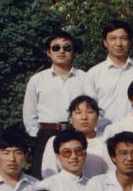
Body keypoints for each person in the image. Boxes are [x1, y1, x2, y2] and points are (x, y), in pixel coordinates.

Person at [22, 31, 96, 177]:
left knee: (79, 175)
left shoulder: (85, 78)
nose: (61, 51)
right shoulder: (37, 80)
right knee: (43, 177)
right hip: (46, 135)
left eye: (67, 48)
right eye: (56, 48)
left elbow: (93, 108)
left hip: (77, 133)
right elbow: (29, 113)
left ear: (73, 52)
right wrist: (38, 136)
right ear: (48, 52)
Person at [87, 20, 133, 128]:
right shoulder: (94, 73)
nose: (118, 44)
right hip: (104, 132)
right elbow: (89, 108)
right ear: (105, 42)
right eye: (113, 38)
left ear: (130, 42)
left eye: (123, 38)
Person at [39, 95, 111, 180]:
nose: (84, 117)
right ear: (71, 118)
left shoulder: (106, 142)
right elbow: (48, 175)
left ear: (98, 116)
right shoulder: (56, 141)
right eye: (78, 113)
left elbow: (111, 174)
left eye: (90, 112)